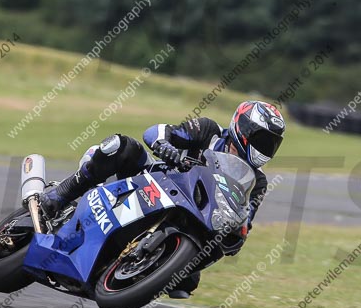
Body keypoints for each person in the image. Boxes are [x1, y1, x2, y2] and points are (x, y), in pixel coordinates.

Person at [39, 100, 285, 297]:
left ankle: (139, 268)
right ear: (244, 129)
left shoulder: (258, 181)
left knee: (186, 283)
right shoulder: (208, 131)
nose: (266, 148)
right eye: (263, 140)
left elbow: (246, 214)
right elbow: (158, 131)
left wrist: (240, 231)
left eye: (272, 144)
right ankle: (60, 196)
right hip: (155, 181)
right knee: (121, 147)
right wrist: (165, 146)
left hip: (196, 217)